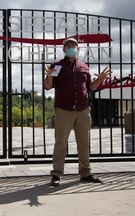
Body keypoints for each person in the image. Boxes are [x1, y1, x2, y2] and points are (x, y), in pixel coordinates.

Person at [44, 38, 111, 186]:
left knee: (84, 142)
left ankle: (85, 173)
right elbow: (48, 86)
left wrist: (100, 79)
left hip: (82, 109)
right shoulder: (56, 66)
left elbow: (91, 87)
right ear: (64, 49)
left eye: (73, 46)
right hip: (64, 109)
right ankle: (56, 174)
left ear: (78, 49)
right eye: (68, 46)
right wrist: (49, 76)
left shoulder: (83, 67)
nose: (71, 48)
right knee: (61, 142)